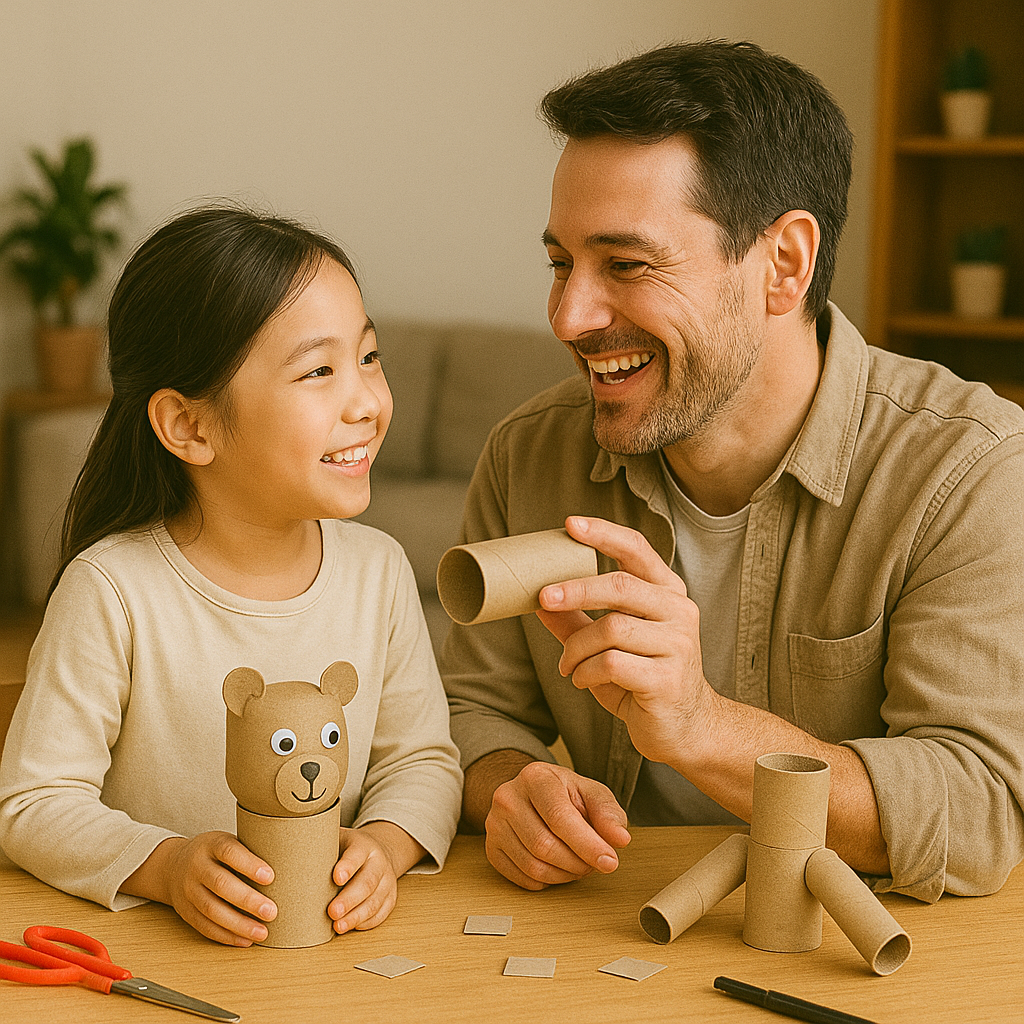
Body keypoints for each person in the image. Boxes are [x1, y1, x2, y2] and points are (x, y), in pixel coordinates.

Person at [443, 40, 1024, 904]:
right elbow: (468, 715)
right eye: (561, 263)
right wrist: (508, 788)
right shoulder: (529, 453)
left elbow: (975, 812)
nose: (569, 316)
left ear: (783, 264)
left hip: (841, 949)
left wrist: (700, 724)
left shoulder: (968, 468)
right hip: (605, 928)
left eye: (628, 265)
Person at [0, 207, 463, 945]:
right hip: (168, 963)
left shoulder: (378, 573)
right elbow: (33, 802)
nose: (369, 402)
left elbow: (424, 761)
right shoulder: (114, 592)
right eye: (320, 370)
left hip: (327, 968)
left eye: (369, 357)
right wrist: (164, 864)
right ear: (190, 426)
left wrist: (386, 843)